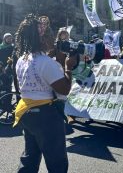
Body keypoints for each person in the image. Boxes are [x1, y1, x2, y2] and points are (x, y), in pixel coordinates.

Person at [13, 15, 77, 173]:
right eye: (49, 36)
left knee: (30, 157)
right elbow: (64, 90)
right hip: (46, 116)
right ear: (41, 39)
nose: (53, 41)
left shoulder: (22, 59)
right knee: (57, 162)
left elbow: (36, 72)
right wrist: (68, 67)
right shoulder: (47, 63)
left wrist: (58, 61)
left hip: (26, 112)